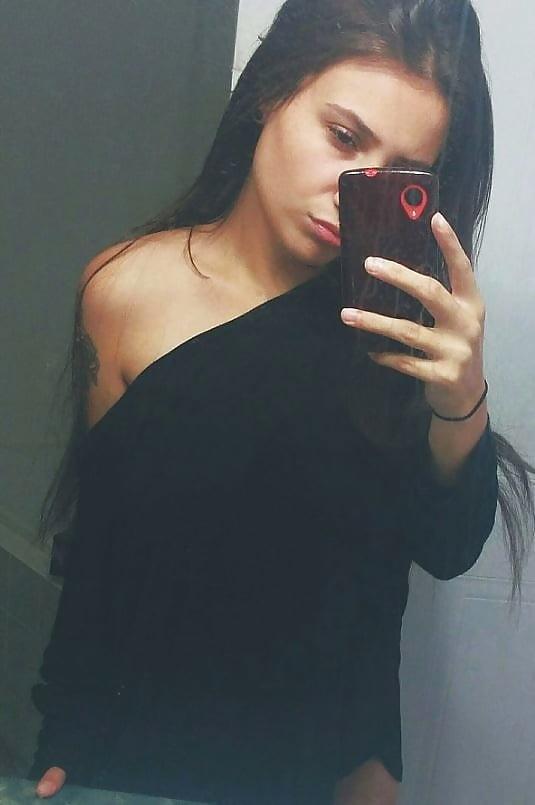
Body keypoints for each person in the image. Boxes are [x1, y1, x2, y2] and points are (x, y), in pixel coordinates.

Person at [28, 1, 534, 803]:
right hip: (131, 765)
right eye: (342, 137)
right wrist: (59, 741)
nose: (349, 191)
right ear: (271, 91)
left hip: (319, 779)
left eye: (395, 173)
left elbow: (442, 548)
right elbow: (102, 551)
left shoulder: (398, 327)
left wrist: (462, 396)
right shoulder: (122, 290)